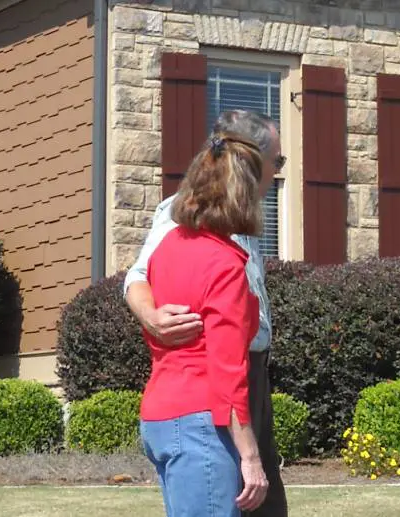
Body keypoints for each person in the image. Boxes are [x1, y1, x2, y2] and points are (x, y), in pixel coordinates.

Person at [124, 109, 288, 517]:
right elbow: (137, 279)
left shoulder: (181, 242)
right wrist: (153, 316)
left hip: (168, 407)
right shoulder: (211, 250)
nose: (279, 173)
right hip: (211, 402)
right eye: (277, 162)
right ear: (247, 169)